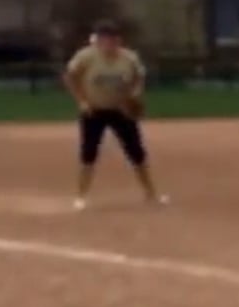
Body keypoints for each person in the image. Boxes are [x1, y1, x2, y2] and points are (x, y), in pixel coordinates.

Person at [62, 20, 167, 211]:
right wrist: (82, 101)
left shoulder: (129, 58)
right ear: (97, 40)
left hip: (121, 110)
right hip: (94, 111)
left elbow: (139, 77)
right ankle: (81, 196)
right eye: (104, 38)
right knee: (89, 153)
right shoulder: (86, 56)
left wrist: (135, 93)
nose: (109, 42)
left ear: (118, 40)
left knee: (136, 152)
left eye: (112, 38)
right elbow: (70, 77)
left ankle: (151, 194)